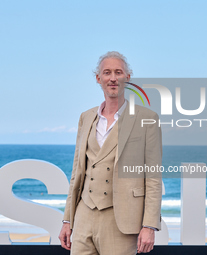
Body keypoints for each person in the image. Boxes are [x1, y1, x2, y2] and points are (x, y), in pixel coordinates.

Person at [59, 51, 162, 255]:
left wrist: (149, 225)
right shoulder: (86, 117)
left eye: (118, 72)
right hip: (84, 216)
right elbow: (77, 173)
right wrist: (67, 219)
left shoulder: (147, 118)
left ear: (128, 77)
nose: (113, 78)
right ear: (99, 78)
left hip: (122, 220)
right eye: (107, 72)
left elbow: (153, 177)